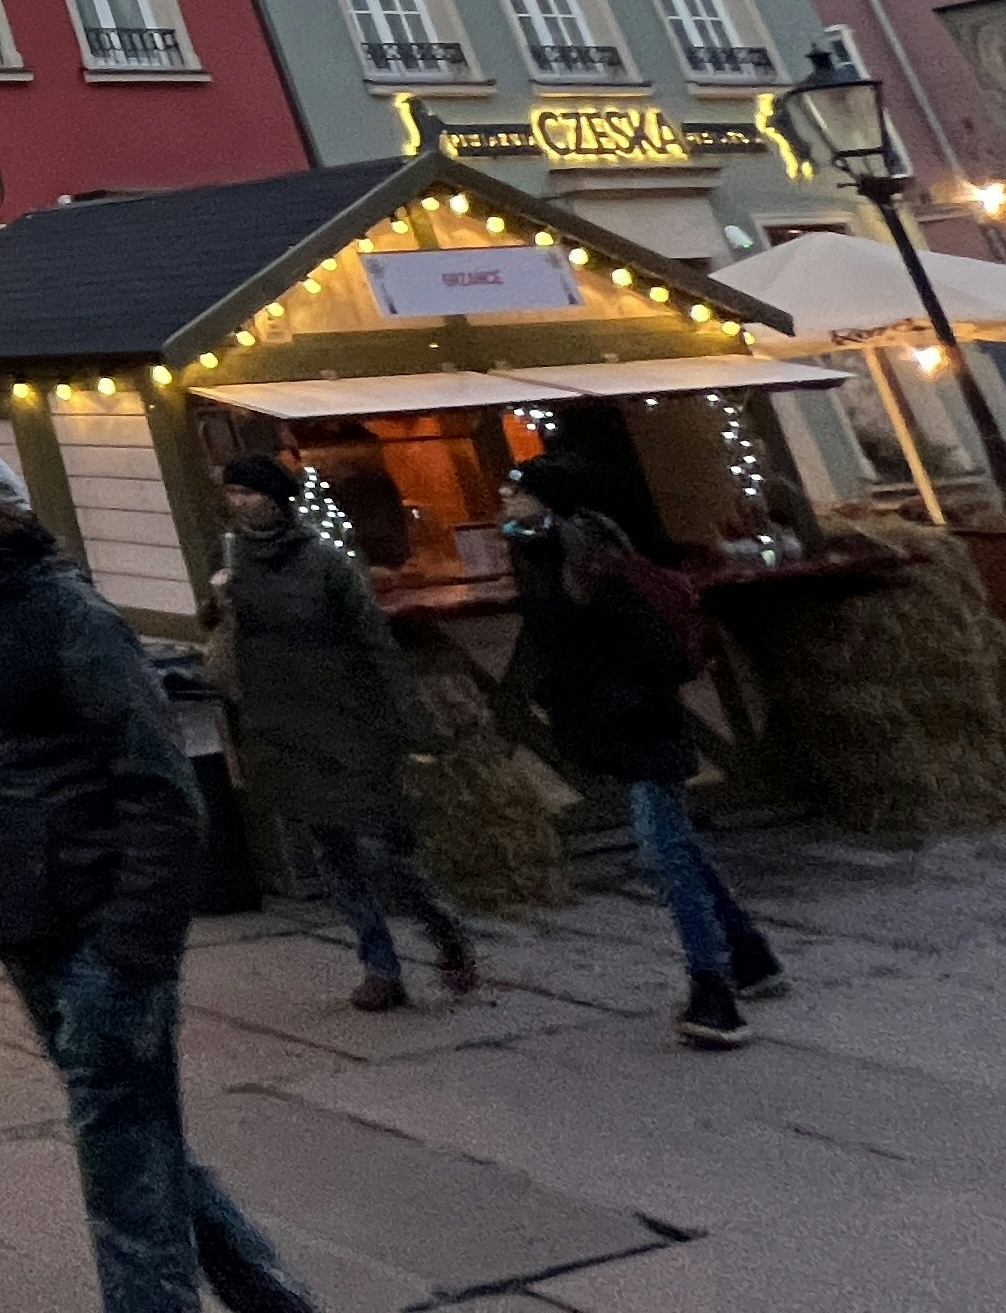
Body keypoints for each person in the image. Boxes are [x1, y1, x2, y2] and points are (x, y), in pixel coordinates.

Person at [0, 445, 322, 1313]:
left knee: (125, 1170)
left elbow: (162, 790)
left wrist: (133, 944)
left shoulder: (69, 617)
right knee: (136, 1139)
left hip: (97, 930)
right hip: (26, 923)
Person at [501, 456, 783, 1049]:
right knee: (675, 847)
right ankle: (750, 955)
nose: (504, 494)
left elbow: (650, 649)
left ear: (548, 499)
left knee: (663, 852)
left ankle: (715, 993)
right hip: (610, 720)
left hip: (641, 721)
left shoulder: (592, 555)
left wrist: (608, 694)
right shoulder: (536, 549)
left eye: (518, 488)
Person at [205, 450, 479, 1011]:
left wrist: (410, 722)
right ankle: (379, 964)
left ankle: (441, 927)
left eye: (249, 493)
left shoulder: (325, 560)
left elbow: (374, 643)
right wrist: (220, 603)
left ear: (276, 499)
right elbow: (222, 634)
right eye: (232, 494)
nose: (239, 504)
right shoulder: (230, 557)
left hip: (346, 720)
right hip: (282, 723)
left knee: (379, 849)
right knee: (331, 854)